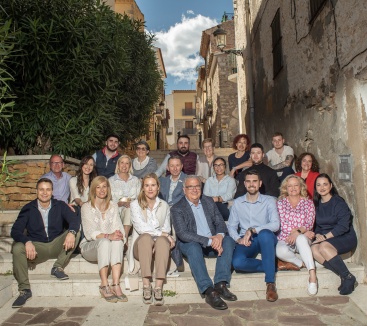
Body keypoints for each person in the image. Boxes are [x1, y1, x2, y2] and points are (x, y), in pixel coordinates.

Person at [11, 178, 80, 308]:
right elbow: (15, 231)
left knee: (76, 233)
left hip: (56, 244)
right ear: (36, 191)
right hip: (38, 248)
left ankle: (57, 267)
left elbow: (74, 220)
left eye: (48, 189)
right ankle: (25, 290)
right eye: (41, 189)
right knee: (17, 247)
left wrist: (71, 232)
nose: (44, 192)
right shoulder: (28, 208)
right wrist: (27, 241)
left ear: (52, 191)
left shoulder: (59, 205)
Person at [171, 176, 237, 310]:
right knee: (194, 247)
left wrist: (219, 236)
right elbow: (183, 234)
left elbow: (219, 222)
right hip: (192, 243)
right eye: (190, 187)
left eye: (197, 186)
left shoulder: (208, 201)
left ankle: (220, 283)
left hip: (212, 241)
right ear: (184, 189)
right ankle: (208, 290)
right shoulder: (177, 208)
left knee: (228, 240)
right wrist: (208, 240)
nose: (194, 190)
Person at [228, 170, 280, 302]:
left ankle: (270, 284)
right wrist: (238, 239)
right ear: (245, 184)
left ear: (260, 183)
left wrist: (253, 230)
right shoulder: (238, 203)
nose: (252, 184)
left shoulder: (269, 201)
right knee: (238, 263)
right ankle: (273, 265)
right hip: (247, 240)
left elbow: (275, 225)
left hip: (265, 238)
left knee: (265, 234)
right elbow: (232, 226)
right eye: (249, 181)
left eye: (255, 181)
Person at [129, 173, 174, 306]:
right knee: (146, 238)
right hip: (141, 245)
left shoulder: (164, 205)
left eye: (153, 185)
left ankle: (158, 287)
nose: (150, 188)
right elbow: (141, 228)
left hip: (159, 246)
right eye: (147, 185)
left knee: (161, 241)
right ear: (142, 188)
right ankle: (146, 285)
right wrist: (163, 234)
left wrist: (163, 235)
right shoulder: (135, 204)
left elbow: (166, 229)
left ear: (158, 187)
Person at [80, 176, 127, 303]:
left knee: (117, 241)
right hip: (89, 247)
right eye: (98, 187)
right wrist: (108, 236)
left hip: (109, 244)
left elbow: (118, 226)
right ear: (93, 190)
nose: (101, 190)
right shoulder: (86, 207)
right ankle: (104, 284)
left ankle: (115, 284)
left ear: (108, 189)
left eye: (104, 186)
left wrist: (119, 235)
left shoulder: (113, 206)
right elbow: (89, 233)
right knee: (105, 241)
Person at [311, 174, 358, 295]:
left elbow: (343, 226)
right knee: (314, 249)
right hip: (329, 238)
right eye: (318, 185)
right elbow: (318, 226)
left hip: (345, 237)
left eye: (325, 184)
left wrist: (325, 237)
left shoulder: (338, 202)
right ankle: (345, 276)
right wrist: (317, 235)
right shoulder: (317, 204)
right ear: (315, 188)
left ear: (331, 186)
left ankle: (347, 277)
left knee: (324, 246)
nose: (322, 187)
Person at [275, 175, 317, 296]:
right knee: (279, 251)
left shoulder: (308, 203)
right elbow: (281, 224)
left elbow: (309, 222)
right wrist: (301, 229)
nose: (293, 188)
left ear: (301, 187)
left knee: (302, 239)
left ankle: (312, 275)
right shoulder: (280, 203)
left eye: (296, 185)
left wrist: (299, 232)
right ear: (285, 188)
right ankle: (300, 263)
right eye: (290, 186)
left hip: (302, 238)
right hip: (285, 238)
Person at [109, 155, 141, 244]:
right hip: (116, 212)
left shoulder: (135, 180)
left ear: (130, 166)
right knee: (127, 208)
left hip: (133, 212)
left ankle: (125, 237)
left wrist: (132, 203)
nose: (124, 165)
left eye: (127, 163)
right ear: (118, 165)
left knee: (130, 208)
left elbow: (140, 198)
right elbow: (108, 201)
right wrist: (120, 203)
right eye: (122, 163)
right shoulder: (111, 181)